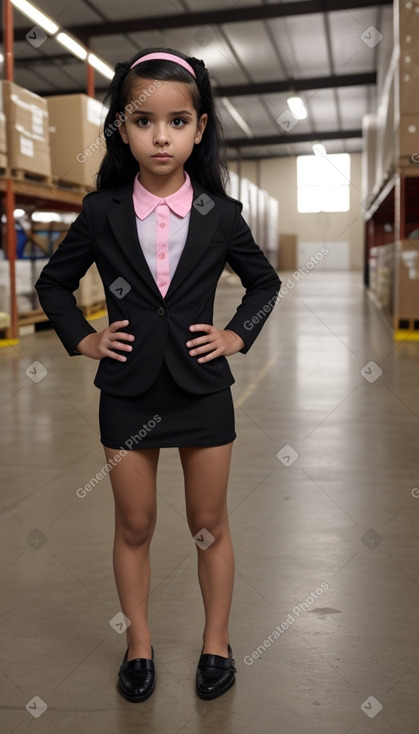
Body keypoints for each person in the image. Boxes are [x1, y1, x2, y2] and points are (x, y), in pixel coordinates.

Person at [35, 47, 281, 703]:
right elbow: (53, 285)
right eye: (145, 121)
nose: (161, 135)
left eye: (177, 121)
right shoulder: (101, 211)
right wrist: (85, 339)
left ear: (200, 128)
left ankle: (215, 642)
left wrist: (235, 334)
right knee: (134, 524)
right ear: (122, 127)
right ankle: (138, 644)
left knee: (208, 524)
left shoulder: (221, 215)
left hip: (202, 389)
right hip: (126, 387)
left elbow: (263, 284)